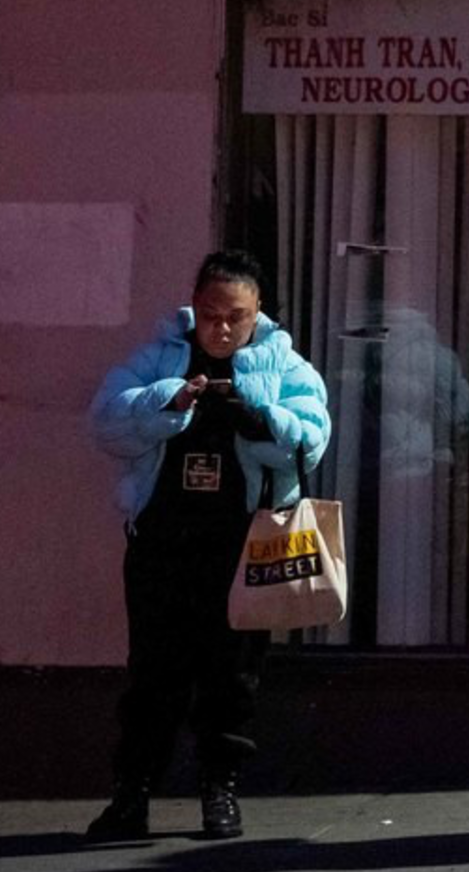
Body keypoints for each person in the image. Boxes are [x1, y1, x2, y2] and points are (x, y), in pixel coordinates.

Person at [83, 249, 332, 842]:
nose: (221, 329)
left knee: (233, 677)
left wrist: (264, 419)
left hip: (243, 545)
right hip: (163, 541)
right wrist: (167, 400)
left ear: (258, 313)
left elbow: (313, 438)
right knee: (152, 675)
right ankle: (132, 795)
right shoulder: (161, 354)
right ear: (194, 307)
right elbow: (104, 423)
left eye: (235, 317)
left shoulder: (284, 363)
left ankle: (219, 792)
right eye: (210, 314)